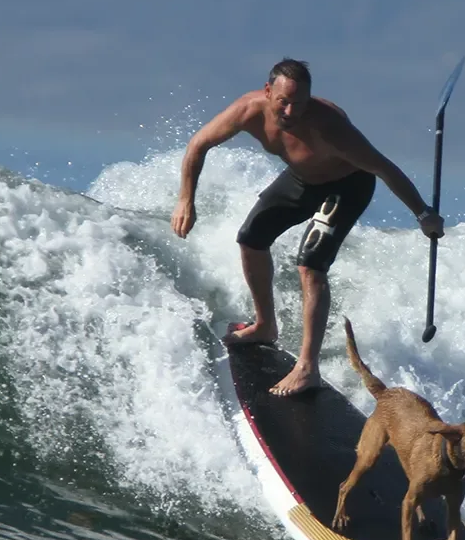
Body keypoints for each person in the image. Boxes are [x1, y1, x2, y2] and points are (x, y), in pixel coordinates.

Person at [171, 58, 443, 396]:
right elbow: (199, 144)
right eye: (282, 101)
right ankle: (265, 325)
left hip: (347, 186)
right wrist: (186, 199)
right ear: (267, 91)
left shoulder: (329, 127)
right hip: (301, 179)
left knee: (310, 265)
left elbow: (385, 168)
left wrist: (422, 214)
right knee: (251, 238)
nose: (289, 111)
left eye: (298, 104)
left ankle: (307, 368)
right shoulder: (247, 110)